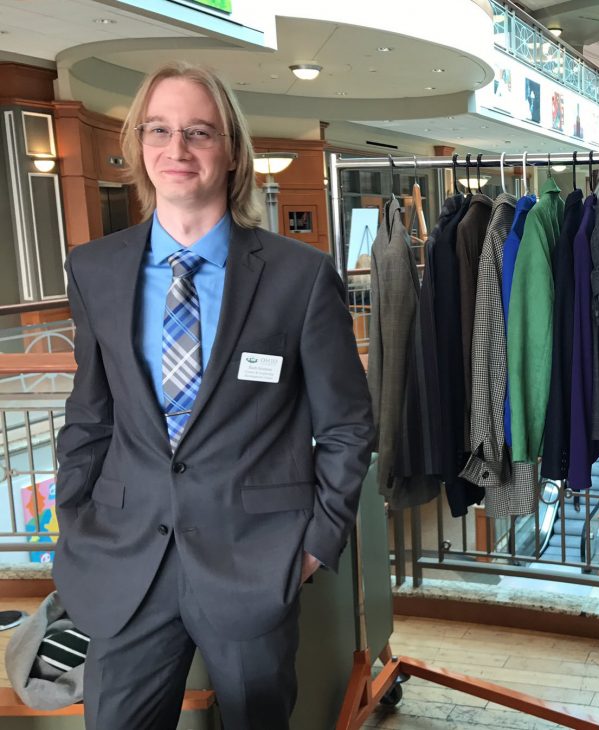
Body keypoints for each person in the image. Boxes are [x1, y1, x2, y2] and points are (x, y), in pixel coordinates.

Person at [53, 62, 374, 729]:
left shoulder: (300, 278)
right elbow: (90, 413)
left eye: (198, 132)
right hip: (125, 559)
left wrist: (316, 543)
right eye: (160, 130)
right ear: (139, 144)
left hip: (256, 559)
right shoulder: (95, 269)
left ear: (231, 151)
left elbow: (347, 425)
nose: (177, 150)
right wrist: (75, 518)